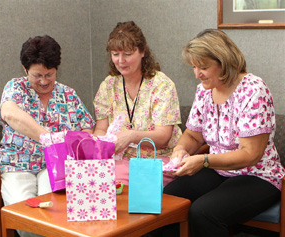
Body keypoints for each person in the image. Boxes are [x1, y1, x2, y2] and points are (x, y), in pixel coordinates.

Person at [163, 29, 285, 236]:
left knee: (204, 213)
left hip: (257, 176)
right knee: (168, 200)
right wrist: (181, 149)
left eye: (203, 67)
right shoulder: (204, 90)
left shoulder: (253, 90)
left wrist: (203, 161)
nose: (196, 73)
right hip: (219, 170)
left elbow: (250, 154)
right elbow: (193, 135)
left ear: (225, 63)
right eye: (193, 66)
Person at [0, 35, 94, 225]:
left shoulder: (68, 95)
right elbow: (9, 113)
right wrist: (50, 138)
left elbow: (87, 128)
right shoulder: (16, 87)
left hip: (54, 167)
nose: (43, 81)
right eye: (37, 75)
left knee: (55, 212)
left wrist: (77, 145)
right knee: (22, 214)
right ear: (25, 70)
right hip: (17, 165)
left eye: (49, 74)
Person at [93, 21, 182, 186]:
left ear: (143, 52)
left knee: (120, 190)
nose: (120, 61)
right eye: (115, 54)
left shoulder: (161, 84)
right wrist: (98, 143)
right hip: (119, 160)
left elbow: (163, 137)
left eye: (127, 54)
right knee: (92, 184)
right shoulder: (108, 85)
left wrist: (132, 136)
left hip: (156, 161)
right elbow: (101, 128)